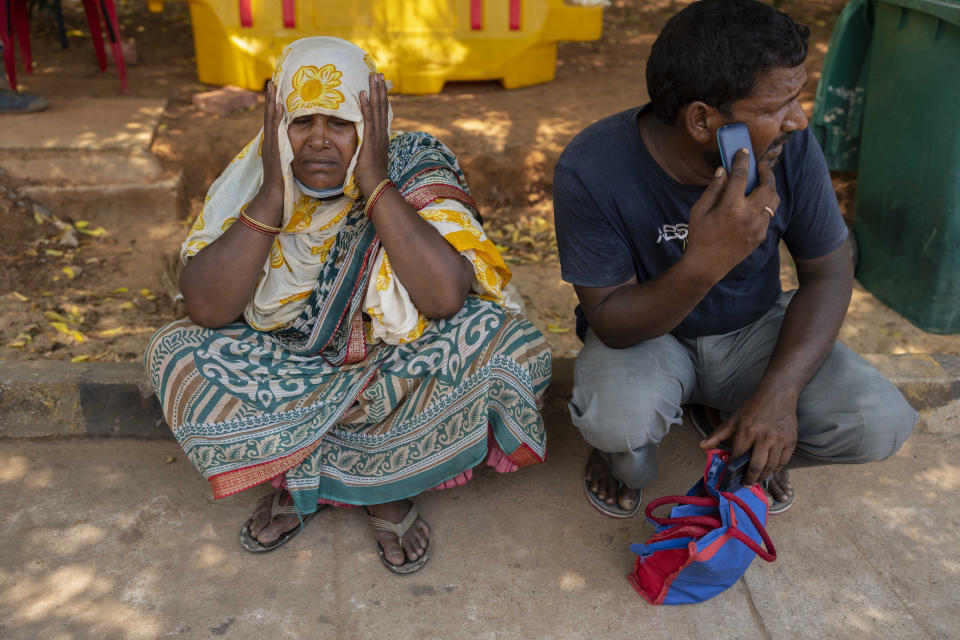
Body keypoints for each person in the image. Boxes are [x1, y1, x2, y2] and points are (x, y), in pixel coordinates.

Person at [145, 37, 551, 574]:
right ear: (276, 123)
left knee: (511, 348)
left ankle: (319, 474)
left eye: (339, 123)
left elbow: (445, 298)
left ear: (372, 125)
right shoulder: (255, 175)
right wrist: (271, 195)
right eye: (301, 121)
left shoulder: (411, 163)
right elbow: (207, 310)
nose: (317, 141)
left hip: (396, 369)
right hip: (289, 369)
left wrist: (376, 184)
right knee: (175, 352)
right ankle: (365, 482)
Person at [553, 0, 915, 519]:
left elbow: (830, 270)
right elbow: (611, 322)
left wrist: (779, 396)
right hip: (649, 340)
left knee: (879, 422)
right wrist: (705, 262)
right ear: (703, 120)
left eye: (797, 98)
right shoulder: (592, 169)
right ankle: (629, 455)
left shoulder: (789, 147)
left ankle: (748, 434)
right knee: (621, 432)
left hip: (753, 333)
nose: (798, 119)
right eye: (775, 108)